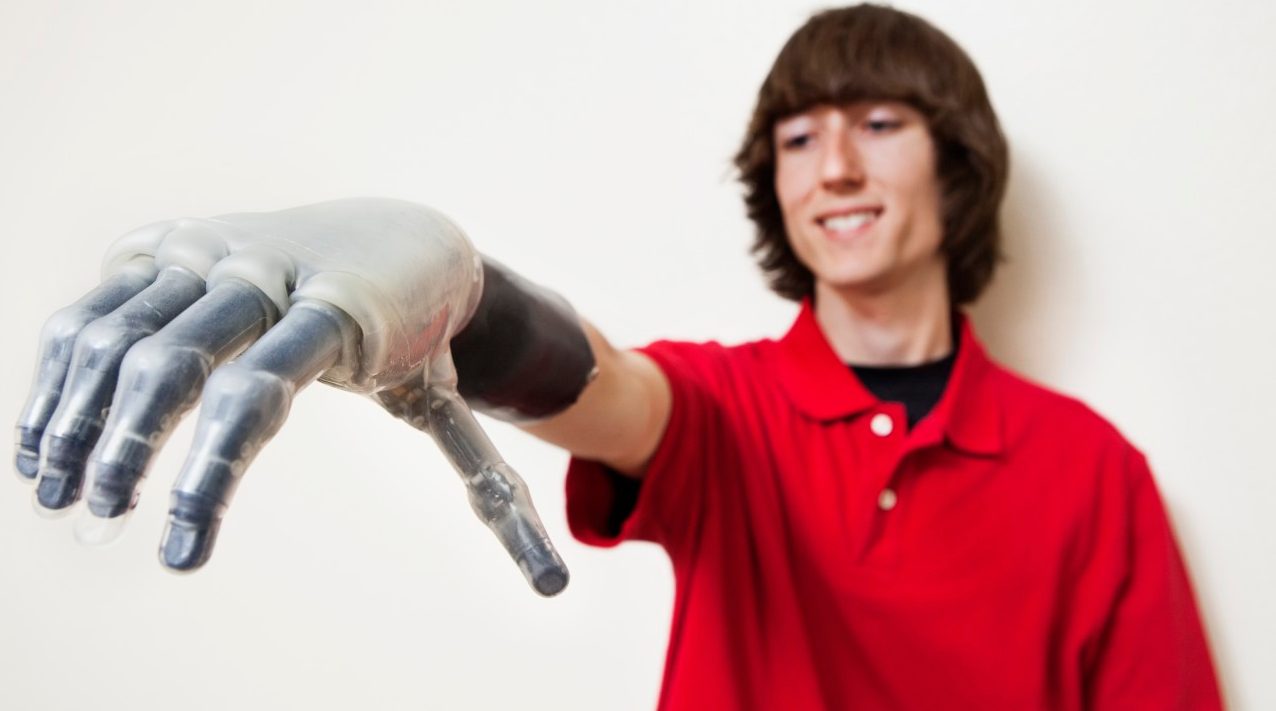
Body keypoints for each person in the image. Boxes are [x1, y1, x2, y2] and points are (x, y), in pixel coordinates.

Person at [14, 4, 1222, 710]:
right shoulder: (732, 409)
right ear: (776, 187)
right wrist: (468, 295)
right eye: (798, 138)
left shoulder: (1089, 471)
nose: (834, 167)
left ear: (955, 166)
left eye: (879, 124)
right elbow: (609, 391)